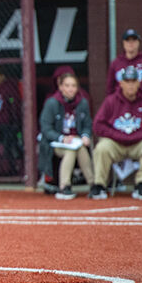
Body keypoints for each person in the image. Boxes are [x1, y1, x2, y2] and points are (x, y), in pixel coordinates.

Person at [89, 65, 142, 200]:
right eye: (127, 82)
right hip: (117, 143)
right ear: (121, 83)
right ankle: (99, 185)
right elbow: (98, 125)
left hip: (138, 143)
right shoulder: (111, 101)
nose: (131, 85)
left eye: (133, 81)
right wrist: (117, 135)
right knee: (102, 147)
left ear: (139, 83)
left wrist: (141, 134)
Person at [39, 72, 94, 200]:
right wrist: (62, 138)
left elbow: (87, 124)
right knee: (71, 150)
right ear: (61, 87)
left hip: (76, 140)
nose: (70, 89)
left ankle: (93, 185)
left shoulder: (83, 103)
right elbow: (46, 129)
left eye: (73, 86)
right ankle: (65, 186)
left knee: (79, 148)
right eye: (67, 85)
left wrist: (85, 135)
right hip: (57, 143)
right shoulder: (52, 103)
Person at [106, 29, 142, 105]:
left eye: (134, 40)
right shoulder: (116, 63)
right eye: (127, 40)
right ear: (123, 43)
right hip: (121, 108)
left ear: (138, 42)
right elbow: (109, 89)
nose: (131, 43)